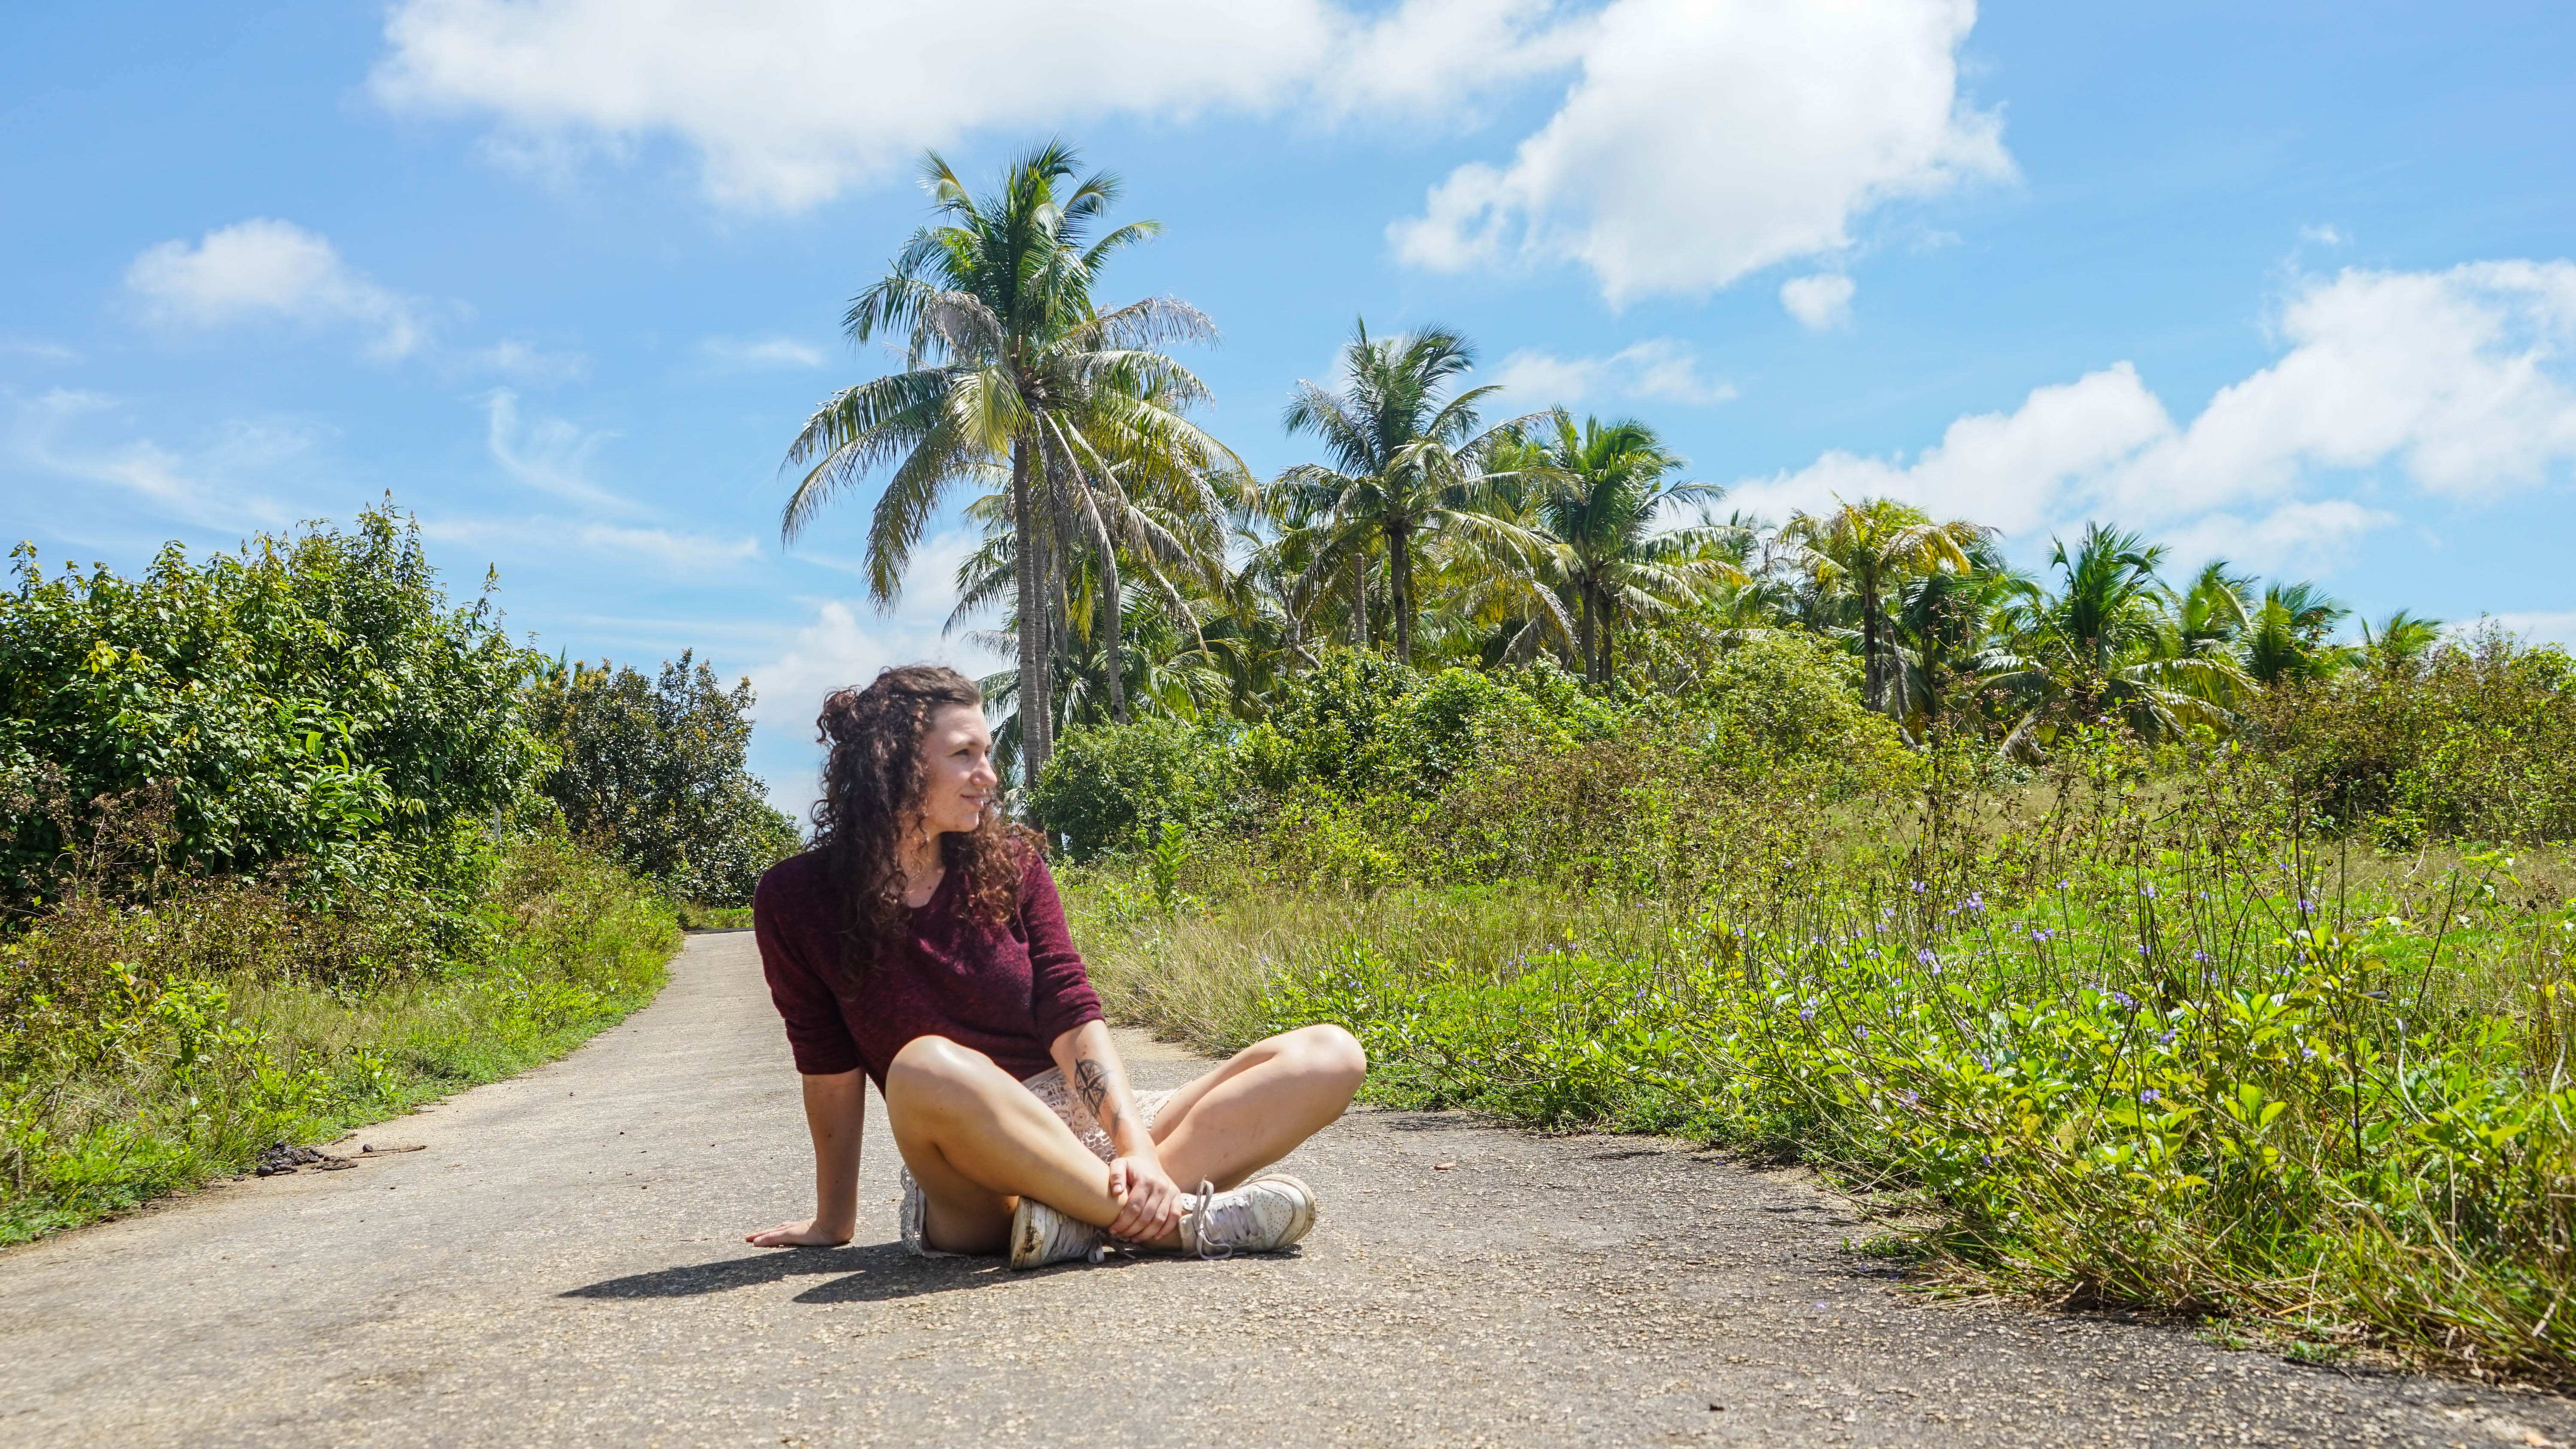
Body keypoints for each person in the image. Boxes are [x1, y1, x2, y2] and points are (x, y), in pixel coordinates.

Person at [743, 665, 1367, 1268]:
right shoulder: (796, 899)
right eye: (965, 754)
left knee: (1330, 1055)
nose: (987, 776)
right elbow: (828, 1068)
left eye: (988, 754)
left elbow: (1071, 1012)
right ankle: (1179, 1223)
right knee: (923, 1065)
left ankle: (1087, 1219)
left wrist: (1137, 1149)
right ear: (893, 761)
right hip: (973, 1167)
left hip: (1082, 1123)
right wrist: (834, 1222)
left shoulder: (1011, 863)